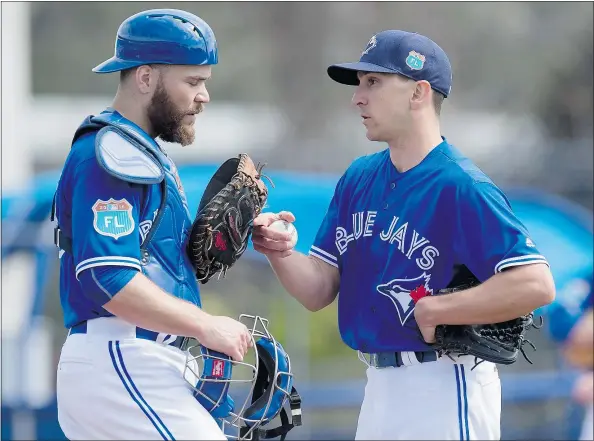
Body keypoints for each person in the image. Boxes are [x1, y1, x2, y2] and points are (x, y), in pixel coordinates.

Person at [251, 30, 556, 440]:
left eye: (373, 82)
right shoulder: (359, 177)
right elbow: (318, 289)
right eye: (359, 84)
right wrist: (281, 253)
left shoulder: (460, 185)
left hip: (444, 382)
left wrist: (438, 310)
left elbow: (535, 282)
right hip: (378, 386)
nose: (358, 98)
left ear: (418, 93)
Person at [52, 9, 254, 440]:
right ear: (145, 78)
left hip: (131, 359)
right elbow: (109, 277)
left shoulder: (141, 152)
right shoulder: (112, 154)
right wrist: (206, 324)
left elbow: (156, 262)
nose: (204, 96)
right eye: (193, 81)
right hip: (120, 354)